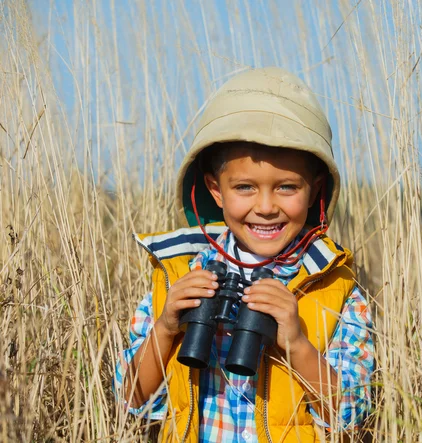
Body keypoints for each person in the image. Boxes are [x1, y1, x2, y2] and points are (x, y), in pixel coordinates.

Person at [115, 67, 374, 443]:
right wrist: (168, 327)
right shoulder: (178, 276)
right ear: (215, 190)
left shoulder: (334, 289)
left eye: (287, 187)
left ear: (314, 189)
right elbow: (132, 398)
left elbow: (349, 413)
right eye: (244, 187)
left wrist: (297, 343)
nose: (266, 207)